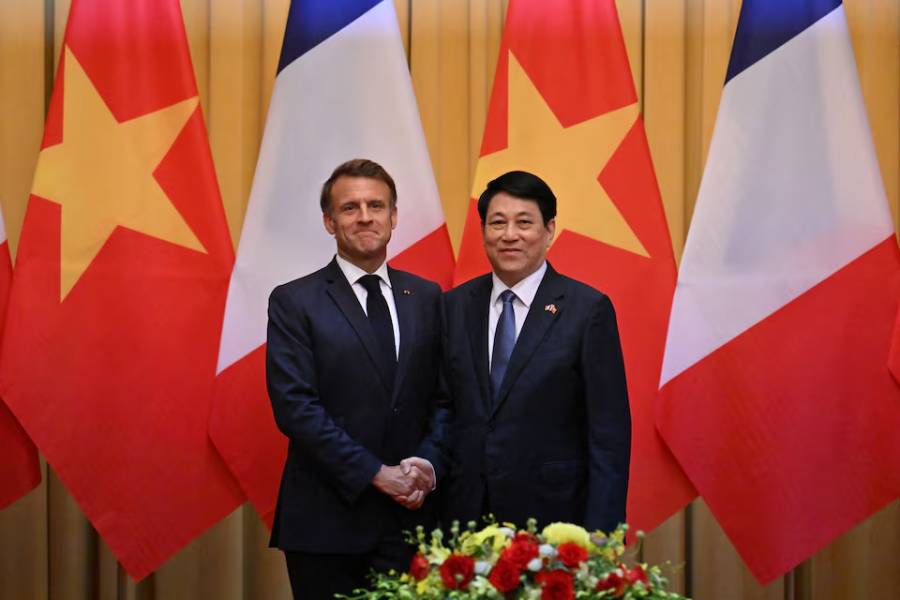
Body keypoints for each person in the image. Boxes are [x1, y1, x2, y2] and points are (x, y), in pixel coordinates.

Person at [266, 159, 448, 599]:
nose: (365, 217)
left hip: (412, 521)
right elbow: (296, 408)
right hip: (327, 524)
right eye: (350, 208)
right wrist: (374, 473)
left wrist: (426, 463)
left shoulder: (427, 297)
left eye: (376, 205)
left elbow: (446, 397)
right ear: (329, 222)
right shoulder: (294, 301)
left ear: (394, 217)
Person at [442, 170, 630, 534]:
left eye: (524, 223)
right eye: (498, 223)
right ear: (483, 232)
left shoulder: (586, 309)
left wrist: (603, 532)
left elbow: (608, 433)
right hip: (464, 513)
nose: (509, 235)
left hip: (555, 515)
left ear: (549, 231)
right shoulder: (453, 307)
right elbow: (443, 407)